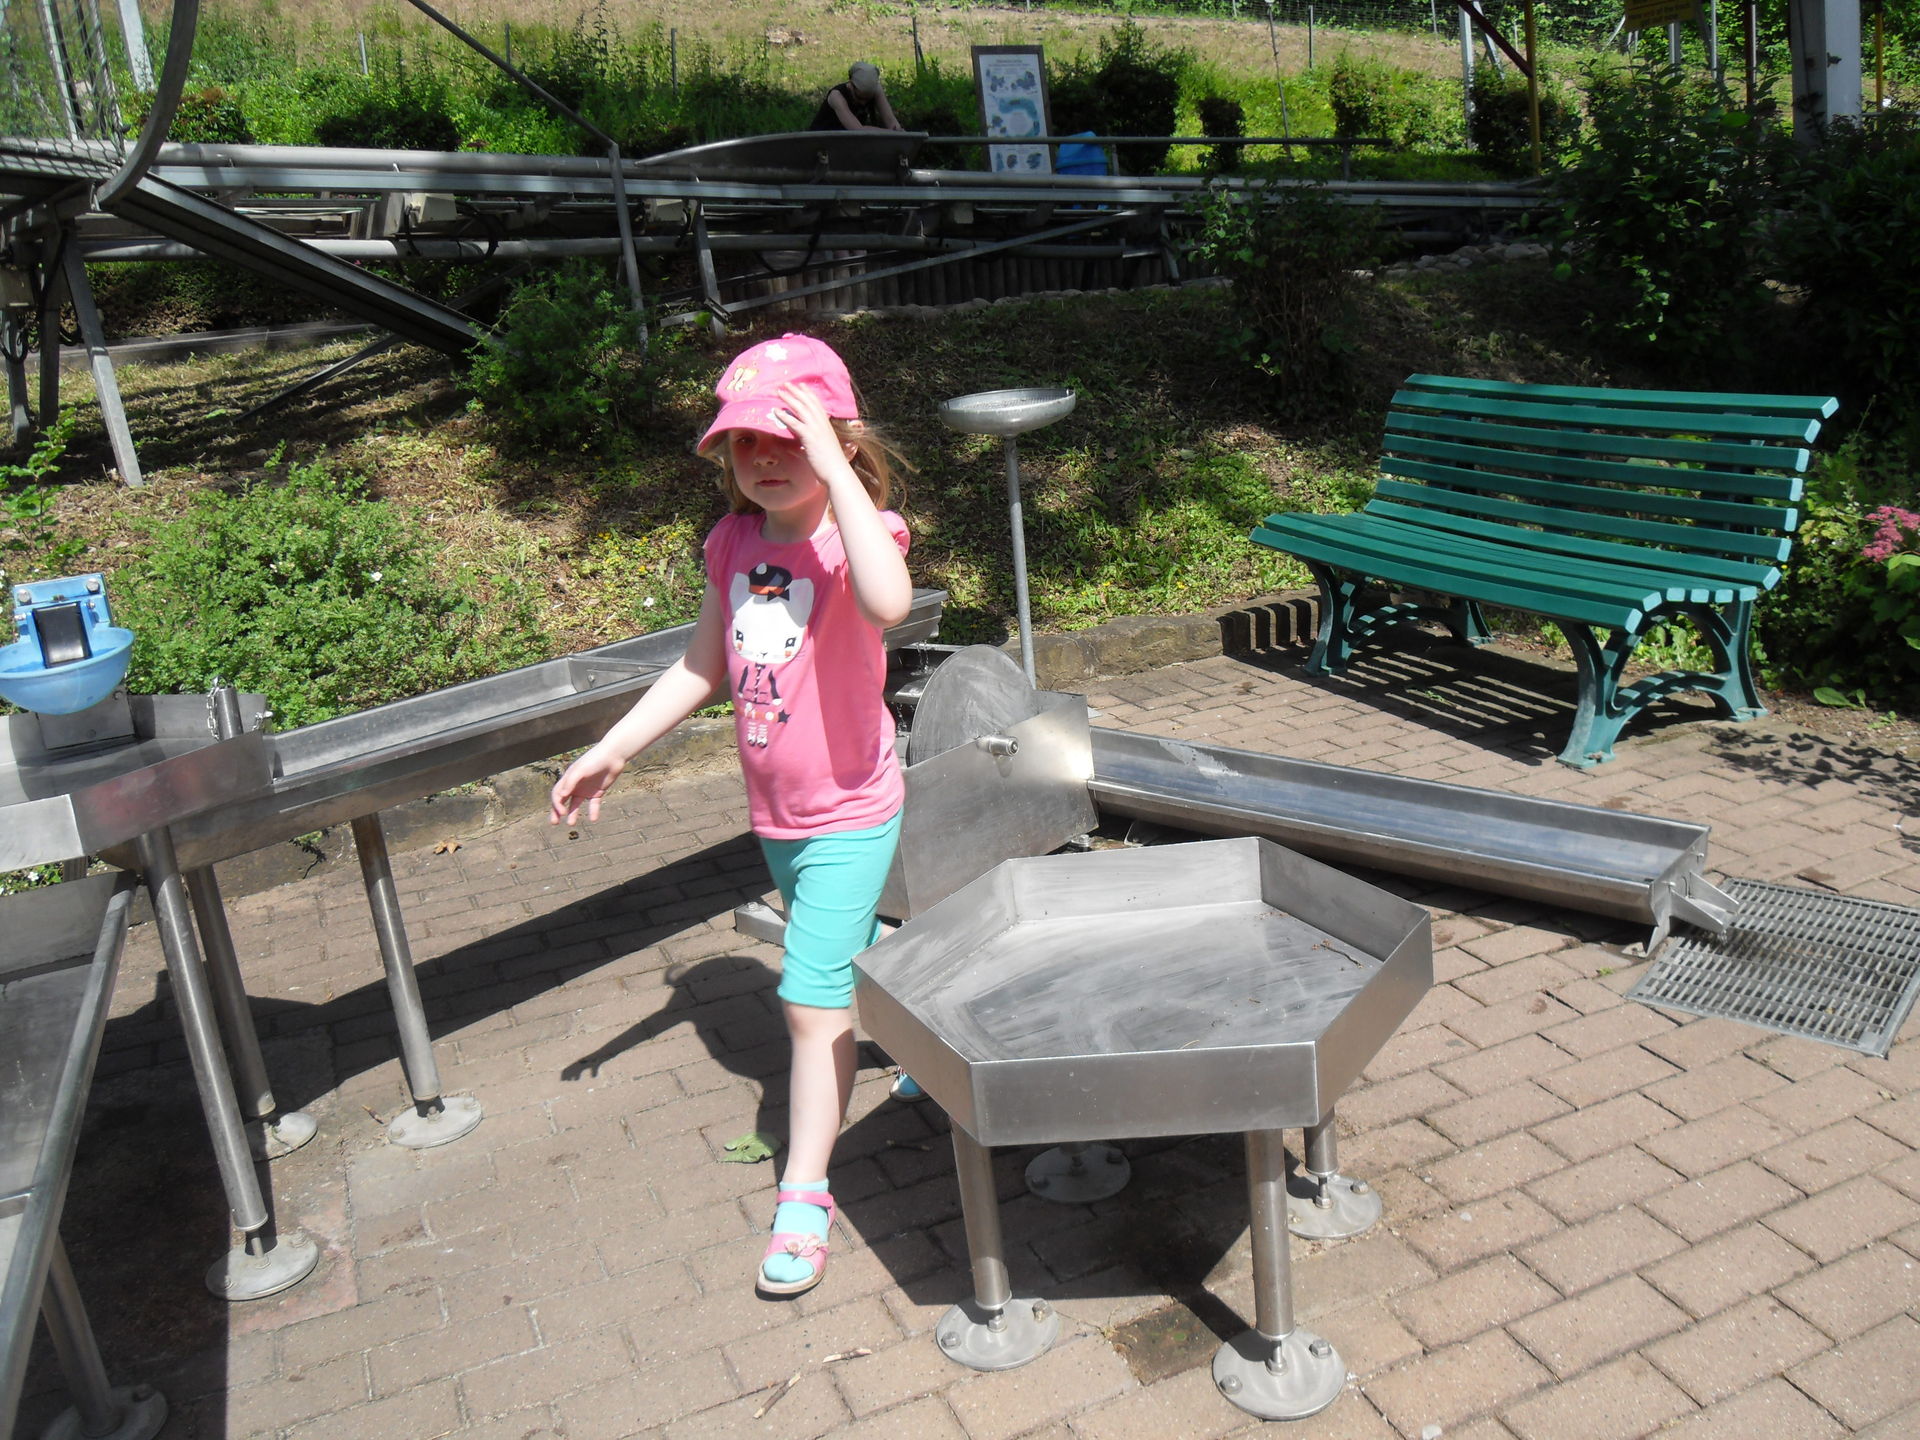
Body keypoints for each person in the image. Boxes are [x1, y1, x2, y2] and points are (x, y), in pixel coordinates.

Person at [550, 333, 913, 1298]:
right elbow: (701, 666)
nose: (762, 457)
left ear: (837, 438)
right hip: (777, 812)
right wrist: (614, 748)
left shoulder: (860, 535)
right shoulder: (731, 544)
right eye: (743, 440)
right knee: (843, 953)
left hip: (851, 805)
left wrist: (838, 471)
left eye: (787, 436)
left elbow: (890, 601)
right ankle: (927, 1029)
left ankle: (804, 1191)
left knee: (808, 998)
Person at [810, 61, 903, 133]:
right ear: (851, 85)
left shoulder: (876, 90)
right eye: (859, 98)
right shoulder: (837, 96)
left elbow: (891, 122)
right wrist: (891, 133)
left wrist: (898, 132)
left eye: (867, 99)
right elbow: (858, 130)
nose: (863, 103)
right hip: (820, 142)